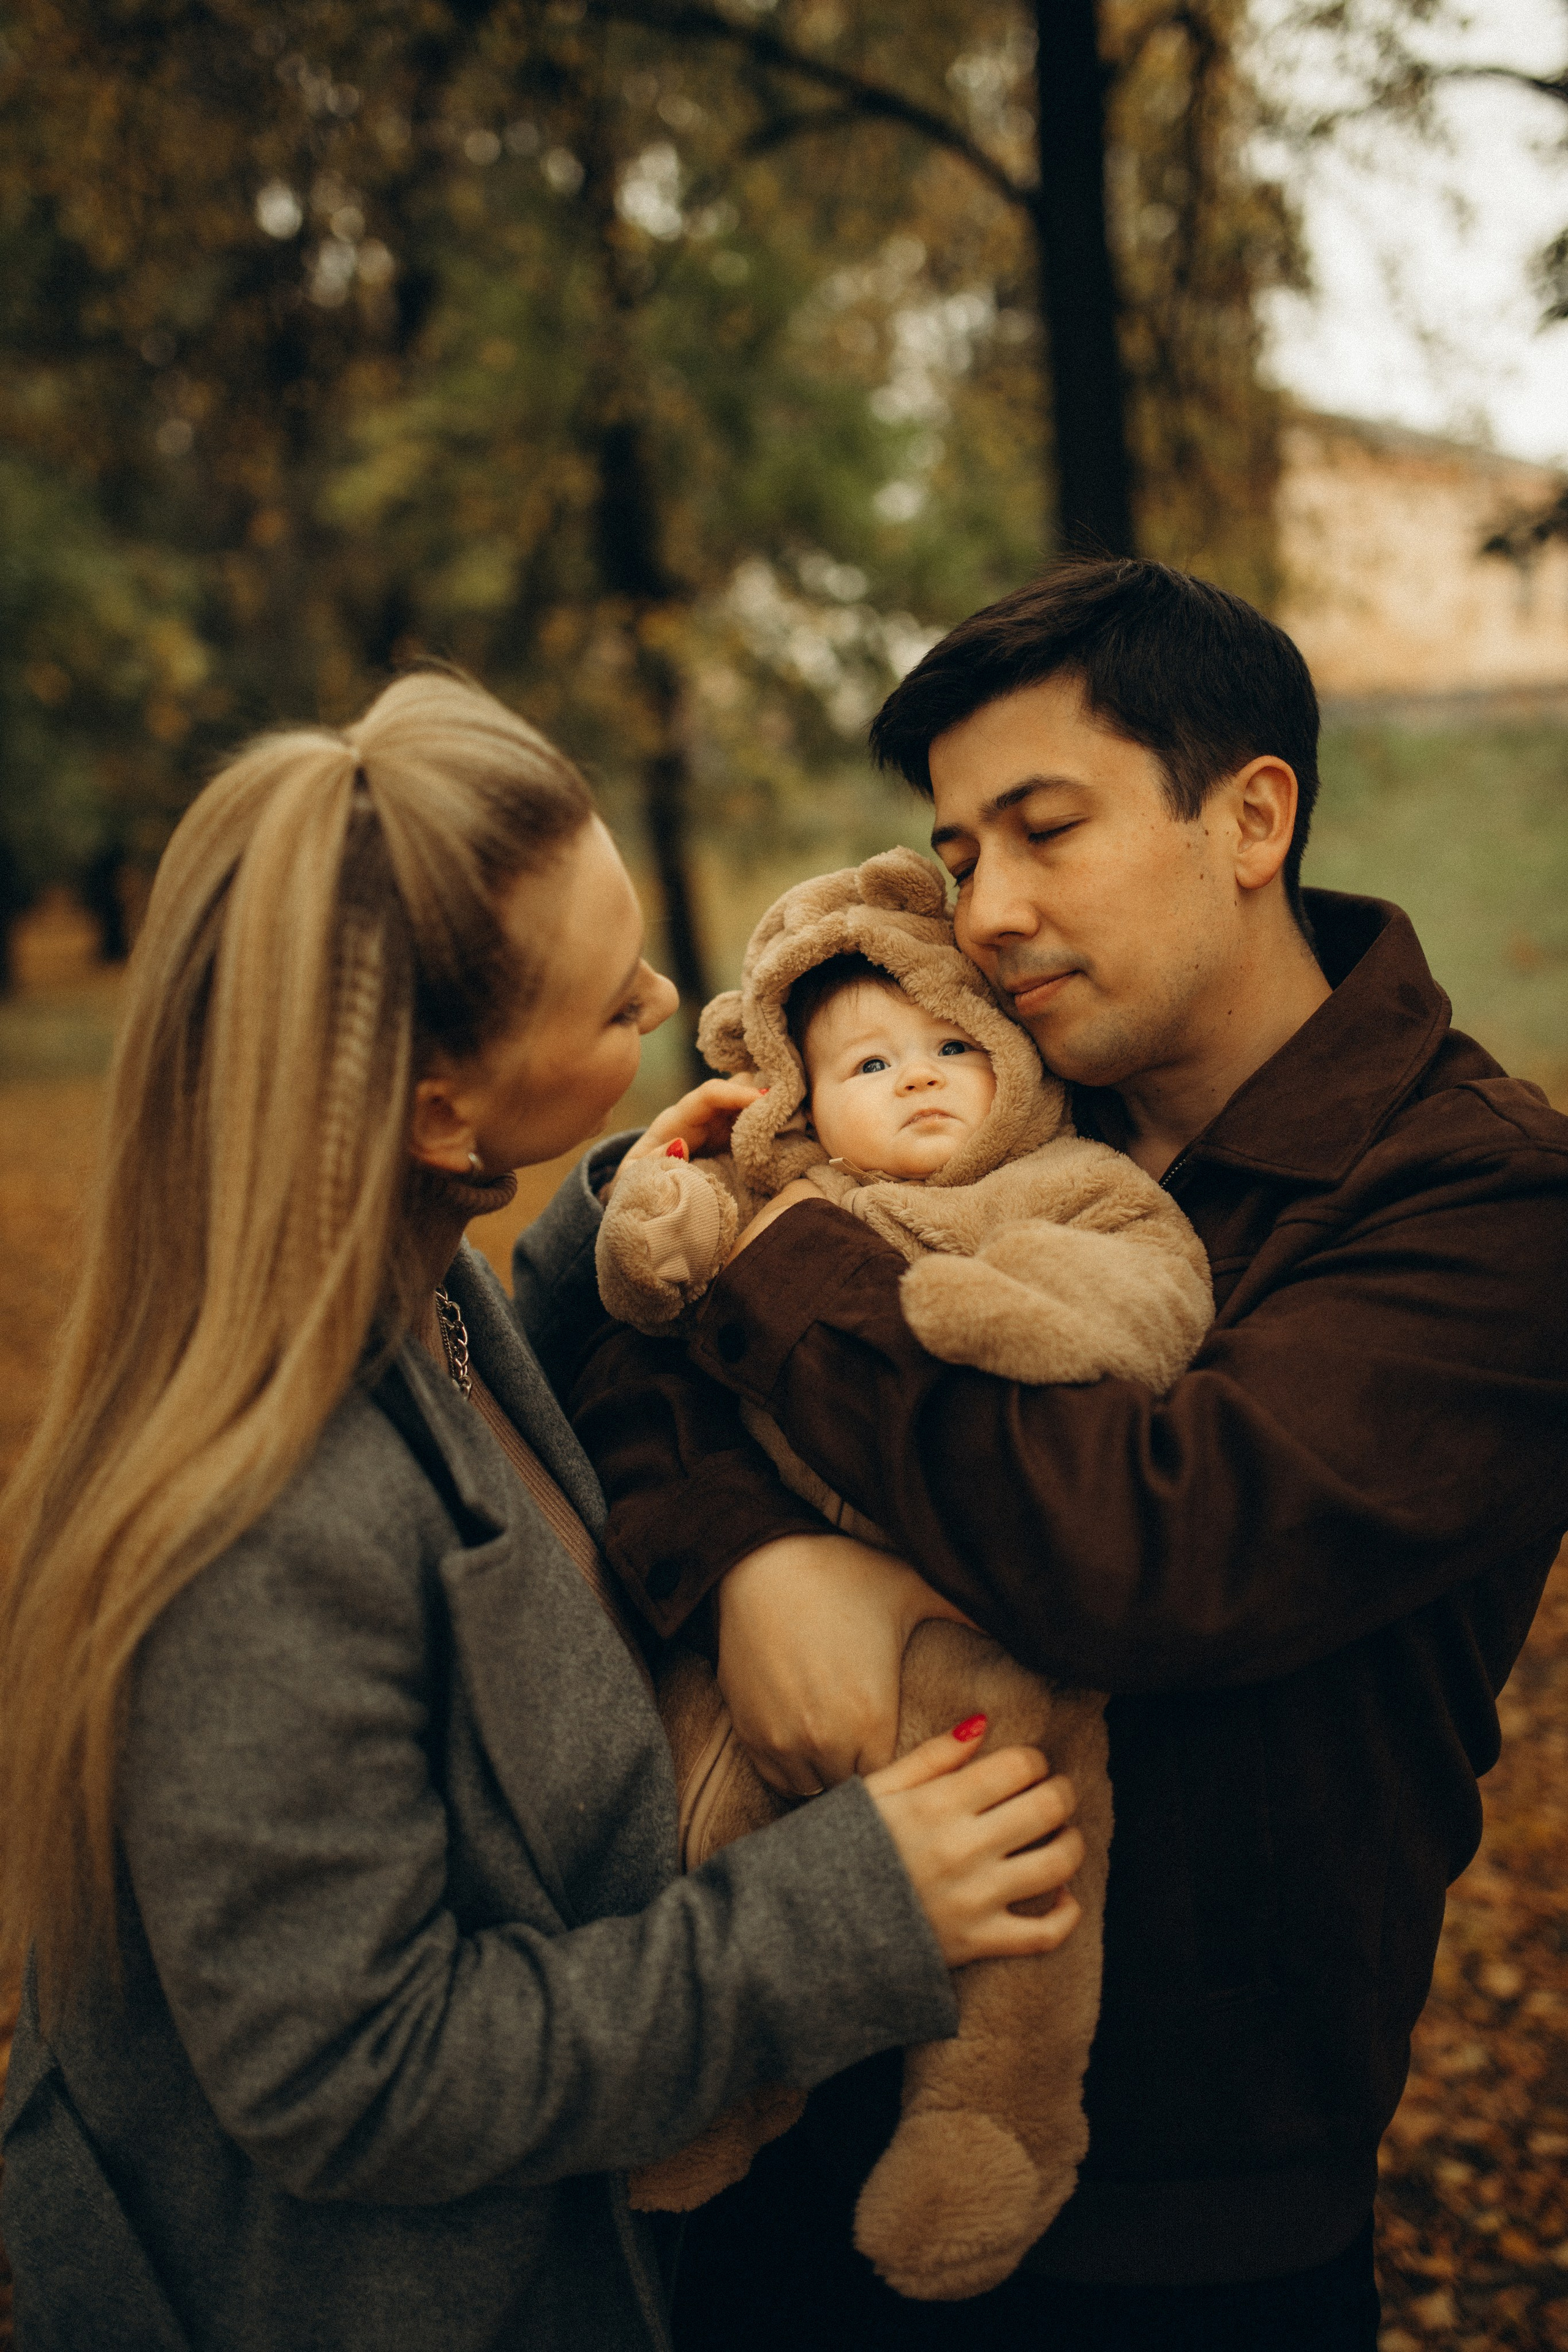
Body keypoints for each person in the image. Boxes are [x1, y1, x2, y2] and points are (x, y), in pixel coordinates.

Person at [0, 670, 1088, 2352]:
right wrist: (843, 1915)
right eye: (606, 1008)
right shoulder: (262, 1536)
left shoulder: (393, 1287)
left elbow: (476, 1465)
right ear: (443, 1110)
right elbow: (355, 2078)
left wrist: (604, 1230)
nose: (664, 996)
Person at [567, 560, 1568, 2352]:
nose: (994, 908)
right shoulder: (989, 1092)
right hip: (794, 2095)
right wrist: (752, 1561)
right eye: (958, 854)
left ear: (1248, 816)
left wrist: (769, 1261)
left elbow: (1158, 1557)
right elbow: (644, 1367)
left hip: (1179, 2221)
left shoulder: (1484, 1199)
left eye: (1046, 829)